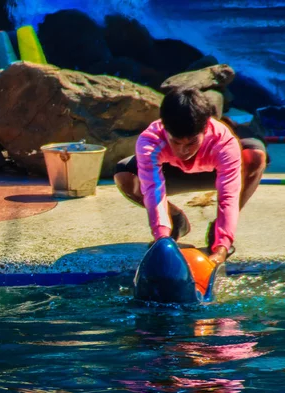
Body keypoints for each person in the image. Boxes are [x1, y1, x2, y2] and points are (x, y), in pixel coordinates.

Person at [114, 87, 268, 267]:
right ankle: (175, 220)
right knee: (125, 175)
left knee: (255, 156)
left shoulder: (223, 142)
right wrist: (162, 238)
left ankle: (218, 229)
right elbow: (154, 191)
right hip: (171, 172)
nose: (183, 150)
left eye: (191, 142)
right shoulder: (150, 140)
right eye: (176, 142)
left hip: (212, 172)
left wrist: (221, 248)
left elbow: (228, 196)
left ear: (206, 128)